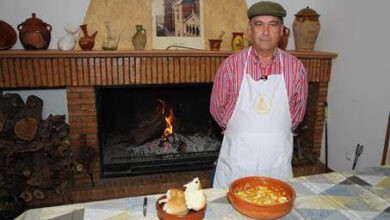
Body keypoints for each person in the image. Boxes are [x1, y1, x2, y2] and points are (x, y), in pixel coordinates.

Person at [210, 1, 308, 188]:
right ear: (249, 29)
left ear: (281, 30)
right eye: (258, 24)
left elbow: (296, 117)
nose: (265, 32)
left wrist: (271, 133)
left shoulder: (296, 69)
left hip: (277, 165)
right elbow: (217, 111)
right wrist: (242, 132)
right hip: (237, 164)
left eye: (272, 25)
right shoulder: (230, 66)